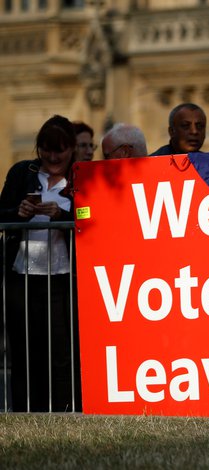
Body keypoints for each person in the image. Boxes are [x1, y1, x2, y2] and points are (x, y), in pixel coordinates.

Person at [0, 115, 81, 412]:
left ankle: (61, 411)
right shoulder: (23, 173)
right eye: (46, 149)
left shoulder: (81, 177)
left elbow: (92, 219)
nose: (52, 157)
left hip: (62, 276)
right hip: (22, 275)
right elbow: (2, 213)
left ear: (72, 149)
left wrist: (62, 216)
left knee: (61, 348)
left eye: (59, 149)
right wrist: (17, 212)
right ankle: (23, 410)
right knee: (23, 347)